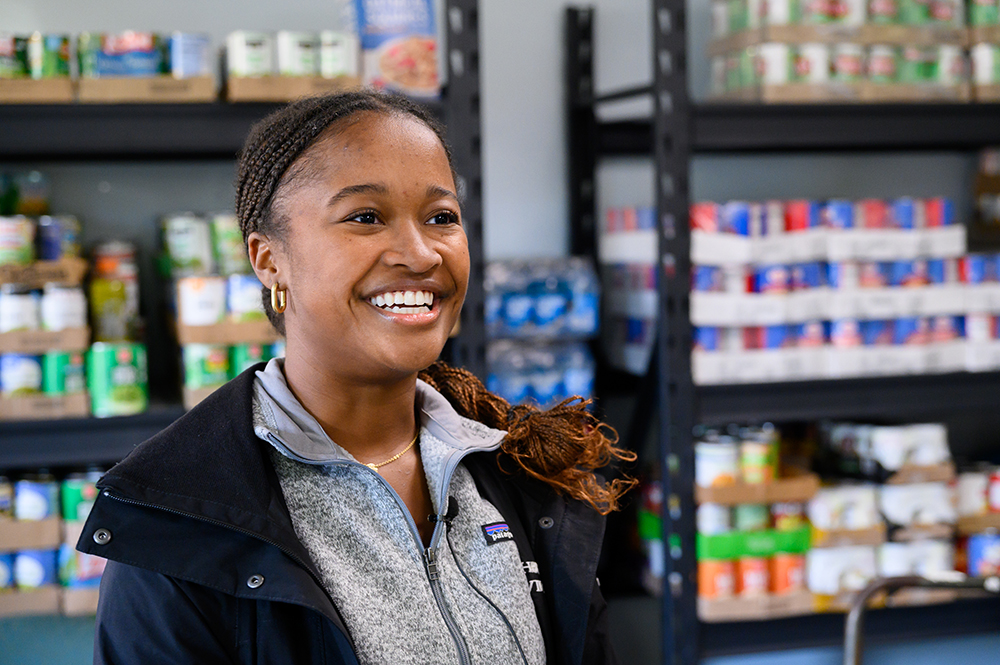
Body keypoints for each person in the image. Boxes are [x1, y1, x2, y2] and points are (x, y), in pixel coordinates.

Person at [77, 90, 636, 665]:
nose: (421, 254)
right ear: (269, 259)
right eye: (365, 217)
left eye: (441, 218)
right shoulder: (177, 521)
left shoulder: (518, 472)